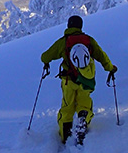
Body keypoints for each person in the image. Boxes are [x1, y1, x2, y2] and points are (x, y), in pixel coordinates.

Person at [41, 15, 117, 144]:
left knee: (67, 106)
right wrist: (110, 68)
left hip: (68, 81)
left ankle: (65, 135)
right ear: (81, 26)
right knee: (84, 103)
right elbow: (102, 56)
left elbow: (45, 56)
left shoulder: (63, 42)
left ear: (68, 26)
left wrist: (46, 61)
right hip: (86, 80)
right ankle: (83, 120)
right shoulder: (89, 40)